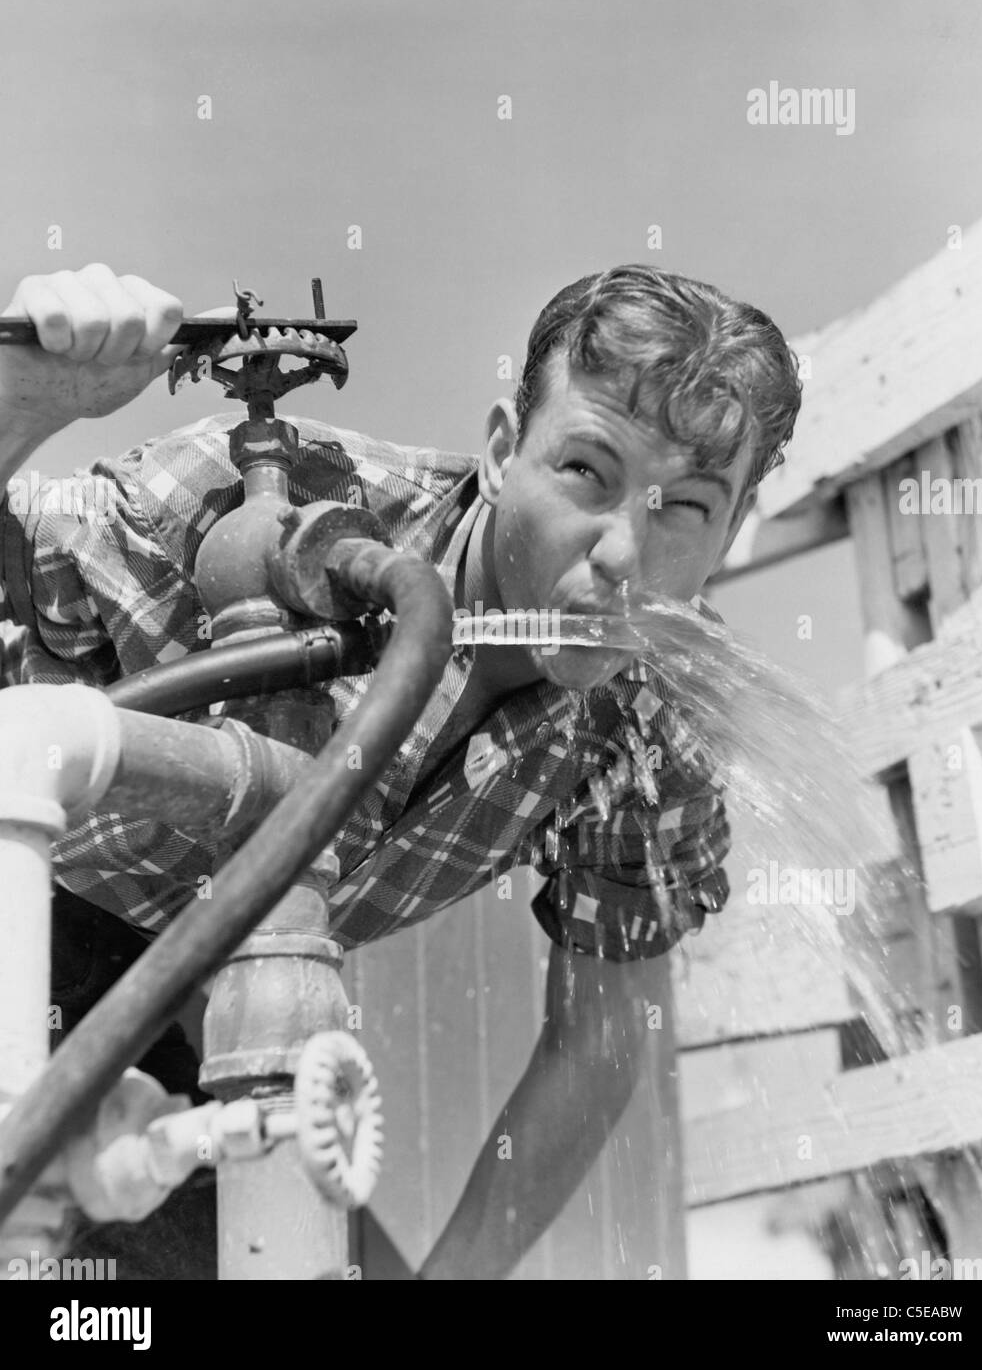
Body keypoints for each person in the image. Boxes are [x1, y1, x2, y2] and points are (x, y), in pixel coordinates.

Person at [0, 261, 802, 1279]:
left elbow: (597, 1035)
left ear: (730, 531)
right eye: (587, 474)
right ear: (504, 448)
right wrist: (26, 403)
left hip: (178, 1003)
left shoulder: (646, 729)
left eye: (682, 507)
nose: (618, 554)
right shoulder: (238, 505)